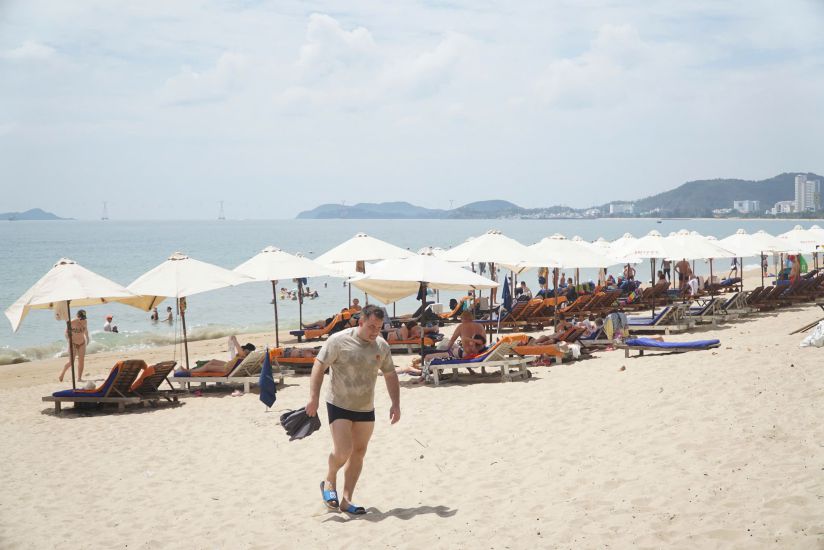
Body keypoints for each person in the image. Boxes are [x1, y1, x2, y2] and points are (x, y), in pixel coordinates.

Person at [306, 305, 399, 515]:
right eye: (372, 326)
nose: (375, 331)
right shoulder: (338, 341)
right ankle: (330, 479)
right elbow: (319, 365)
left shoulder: (381, 346)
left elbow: (391, 374)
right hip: (339, 403)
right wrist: (314, 398)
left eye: (379, 327)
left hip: (365, 407)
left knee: (359, 452)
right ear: (361, 322)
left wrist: (396, 403)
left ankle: (346, 500)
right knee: (343, 450)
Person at [190, 336, 255, 373]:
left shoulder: (243, 355)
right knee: (213, 361)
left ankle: (192, 371)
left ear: (247, 350)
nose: (242, 349)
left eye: (245, 349)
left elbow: (240, 352)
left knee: (208, 367)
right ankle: (197, 369)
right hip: (229, 365)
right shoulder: (247, 356)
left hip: (227, 369)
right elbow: (239, 353)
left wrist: (235, 340)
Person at [58, 309, 90, 382]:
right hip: (73, 343)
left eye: (83, 318)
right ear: (77, 316)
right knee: (71, 362)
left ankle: (79, 378)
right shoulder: (71, 322)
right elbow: (66, 333)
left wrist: (87, 338)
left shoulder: (85, 321)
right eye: (81, 318)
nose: (82, 319)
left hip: (82, 343)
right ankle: (62, 374)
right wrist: (69, 340)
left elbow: (86, 330)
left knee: (81, 361)